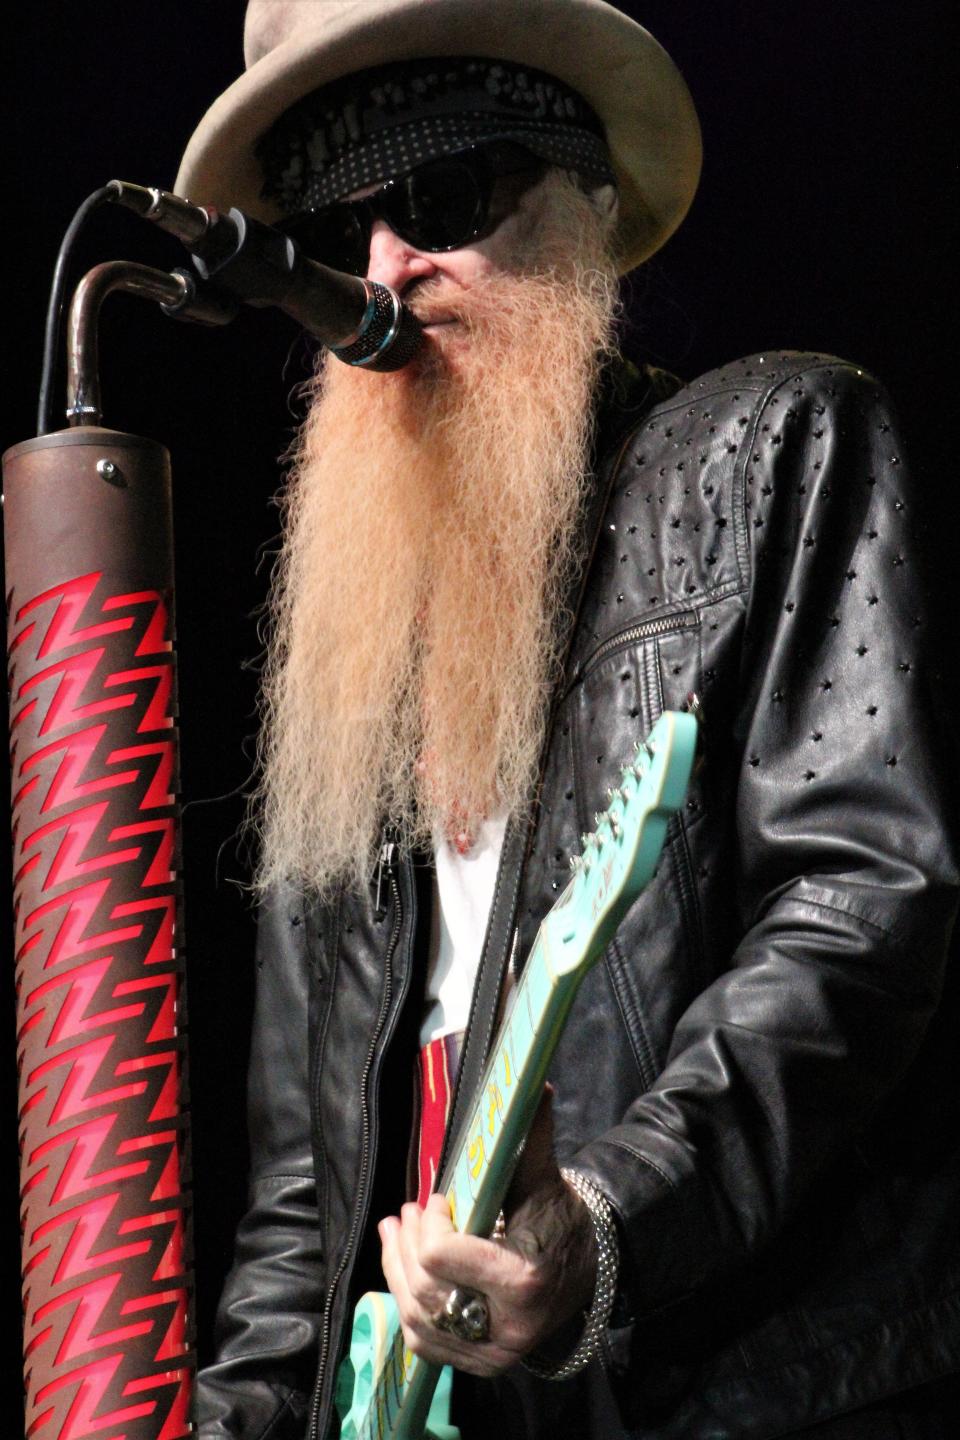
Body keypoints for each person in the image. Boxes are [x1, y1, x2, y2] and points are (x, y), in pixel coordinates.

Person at [175, 2, 960, 1436]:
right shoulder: (350, 651)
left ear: (585, 208)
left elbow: (862, 905)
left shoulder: (774, 446)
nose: (384, 276)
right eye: (341, 232)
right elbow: (300, 1214)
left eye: (440, 199)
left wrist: (610, 1225)